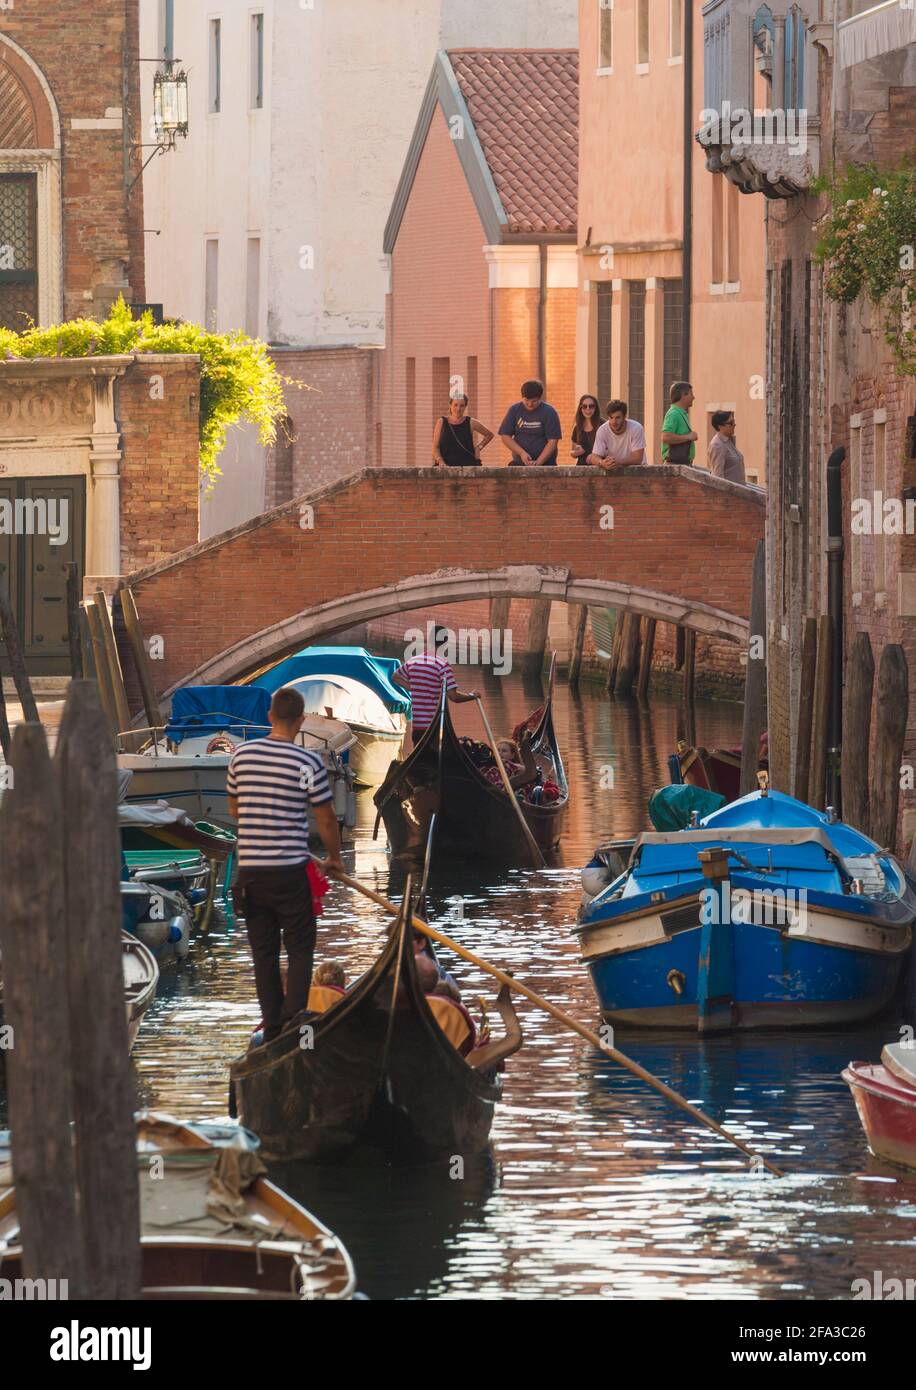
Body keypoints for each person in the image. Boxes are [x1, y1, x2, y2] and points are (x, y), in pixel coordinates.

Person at [228, 687, 345, 1044]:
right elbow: (325, 818)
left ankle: (273, 1026)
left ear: (269, 717)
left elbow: (235, 810)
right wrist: (334, 859)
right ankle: (294, 1023)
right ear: (301, 720)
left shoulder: (240, 757)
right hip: (290, 871)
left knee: (263, 953)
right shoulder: (307, 762)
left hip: (250, 874)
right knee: (299, 948)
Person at [392, 628, 480, 745]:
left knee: (422, 761)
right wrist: (472, 696)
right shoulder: (442, 665)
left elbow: (395, 676)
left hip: (417, 727)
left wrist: (413, 687)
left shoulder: (413, 661)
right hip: (434, 726)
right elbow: (453, 697)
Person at [498, 379, 562, 466]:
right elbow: (505, 436)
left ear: (540, 398)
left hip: (546, 464)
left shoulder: (549, 412)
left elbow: (553, 441)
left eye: (534, 401)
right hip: (519, 463)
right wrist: (522, 453)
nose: (530, 404)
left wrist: (538, 462)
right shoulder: (514, 410)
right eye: (526, 400)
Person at [432, 394, 494, 467]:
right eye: (455, 405)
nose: (458, 409)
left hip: (467, 466)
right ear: (450, 405)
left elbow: (489, 435)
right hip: (445, 467)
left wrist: (479, 447)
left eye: (462, 406)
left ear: (465, 407)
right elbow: (435, 448)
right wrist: (440, 461)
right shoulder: (441, 422)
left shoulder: (471, 422)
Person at [588, 399, 647, 470]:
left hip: (638, 472)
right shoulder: (602, 430)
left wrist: (616, 462)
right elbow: (594, 457)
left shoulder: (636, 428)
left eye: (618, 418)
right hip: (612, 472)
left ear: (624, 417)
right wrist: (602, 462)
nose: (614, 422)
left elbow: (637, 458)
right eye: (611, 417)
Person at [660, 381, 698, 464]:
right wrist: (688, 437)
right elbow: (666, 437)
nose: (693, 397)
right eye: (691, 394)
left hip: (681, 463)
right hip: (674, 465)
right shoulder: (674, 413)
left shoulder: (680, 413)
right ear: (683, 395)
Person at [707, 410, 746, 484]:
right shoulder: (717, 445)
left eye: (734, 421)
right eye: (731, 423)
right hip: (729, 493)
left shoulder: (728, 441)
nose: (734, 425)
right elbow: (718, 476)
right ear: (720, 426)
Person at [570, 395, 603, 465]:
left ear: (595, 408)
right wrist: (575, 453)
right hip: (581, 468)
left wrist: (595, 456)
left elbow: (610, 448)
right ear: (580, 408)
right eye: (584, 406)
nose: (588, 409)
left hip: (599, 467)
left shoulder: (603, 425)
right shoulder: (577, 427)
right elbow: (573, 451)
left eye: (591, 406)